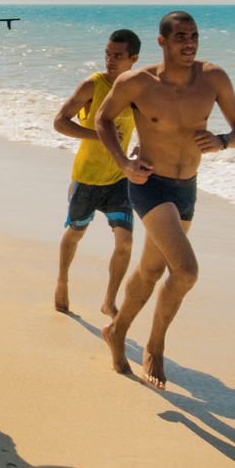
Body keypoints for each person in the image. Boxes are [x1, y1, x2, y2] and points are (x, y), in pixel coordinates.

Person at [95, 11, 235, 390]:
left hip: (187, 188)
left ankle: (116, 332)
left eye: (194, 35)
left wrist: (223, 141)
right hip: (150, 184)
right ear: (162, 42)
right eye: (181, 36)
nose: (190, 42)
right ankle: (155, 347)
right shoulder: (138, 82)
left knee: (151, 271)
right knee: (185, 272)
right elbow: (103, 119)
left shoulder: (213, 78)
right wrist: (123, 163)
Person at [52, 29, 141, 315]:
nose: (110, 60)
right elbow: (60, 122)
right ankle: (62, 279)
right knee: (76, 233)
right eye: (107, 54)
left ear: (133, 59)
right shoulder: (93, 85)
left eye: (118, 56)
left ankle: (110, 301)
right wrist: (98, 134)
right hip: (87, 178)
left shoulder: (140, 90)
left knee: (125, 243)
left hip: (119, 178)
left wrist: (144, 148)